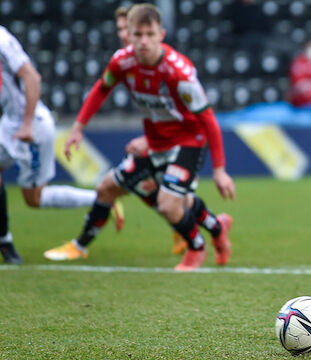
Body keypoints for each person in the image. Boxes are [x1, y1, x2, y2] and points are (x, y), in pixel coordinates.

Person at [43, 3, 235, 271]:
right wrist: (78, 127)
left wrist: (220, 170)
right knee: (110, 187)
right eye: (137, 34)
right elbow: (102, 87)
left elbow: (208, 120)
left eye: (149, 34)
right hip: (154, 145)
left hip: (187, 142)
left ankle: (196, 248)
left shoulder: (178, 72)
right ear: (129, 36)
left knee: (169, 204)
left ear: (161, 34)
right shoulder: (123, 61)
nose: (143, 41)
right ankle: (217, 227)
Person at [0, 26, 124, 265]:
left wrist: (26, 124)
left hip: (32, 126)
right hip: (8, 123)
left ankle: (100, 200)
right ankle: (4, 241)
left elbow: (32, 77)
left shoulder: (2, 40)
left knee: (34, 199)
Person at [115, 5, 190, 255]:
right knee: (147, 188)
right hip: (155, 141)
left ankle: (198, 231)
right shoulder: (123, 62)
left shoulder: (165, 65)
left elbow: (179, 114)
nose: (126, 35)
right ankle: (193, 228)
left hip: (177, 143)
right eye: (122, 31)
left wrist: (149, 139)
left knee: (172, 198)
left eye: (130, 30)